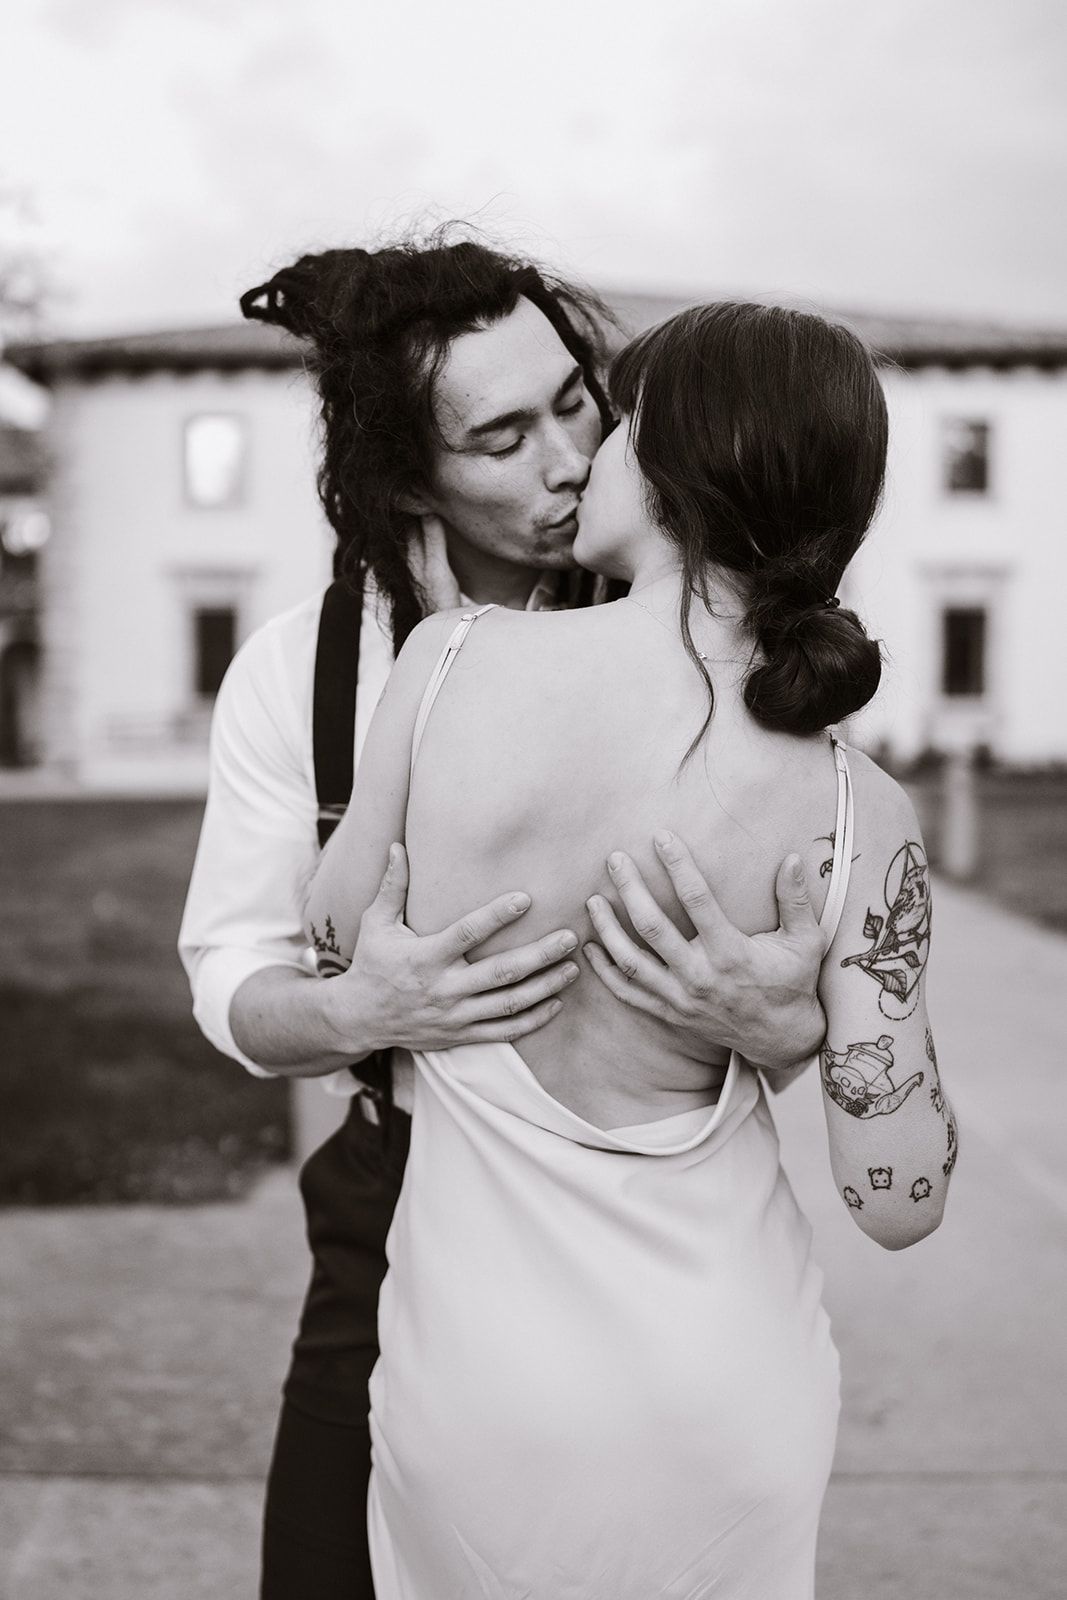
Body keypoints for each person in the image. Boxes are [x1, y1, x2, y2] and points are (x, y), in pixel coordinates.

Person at [178, 237, 828, 1599]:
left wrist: (789, 1022)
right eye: (503, 436)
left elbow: (838, 955)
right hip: (397, 1202)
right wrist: (362, 1011)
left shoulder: (731, 643)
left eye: (578, 402)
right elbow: (231, 971)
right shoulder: (302, 674)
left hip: (659, 1249)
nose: (571, 460)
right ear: (410, 477)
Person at [307, 300, 956, 1598]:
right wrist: (802, 1031)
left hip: (475, 1390)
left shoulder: (448, 668)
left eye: (612, 428)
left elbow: (337, 936)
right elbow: (900, 1199)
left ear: (664, 457)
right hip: (724, 1397)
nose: (587, 453)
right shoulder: (850, 806)